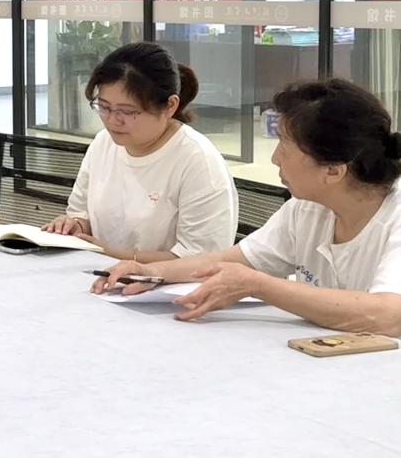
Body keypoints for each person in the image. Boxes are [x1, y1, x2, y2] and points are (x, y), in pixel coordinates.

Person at [96, 78, 401, 334]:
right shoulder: (308, 208)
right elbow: (238, 260)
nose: (274, 158)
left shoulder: (394, 215)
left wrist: (260, 286)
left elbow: (388, 315)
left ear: (333, 170)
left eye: (284, 146)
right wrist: (150, 272)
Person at [43, 42, 237, 262]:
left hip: (167, 282)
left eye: (127, 111)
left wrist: (113, 255)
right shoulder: (103, 143)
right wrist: (75, 225)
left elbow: (201, 260)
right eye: (104, 107)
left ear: (170, 106)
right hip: (100, 272)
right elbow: (81, 212)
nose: (112, 120)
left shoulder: (198, 161)